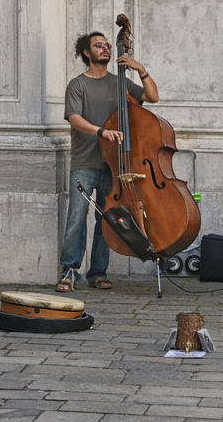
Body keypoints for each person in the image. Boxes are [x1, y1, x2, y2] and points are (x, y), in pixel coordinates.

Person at [57, 30, 158, 293]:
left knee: (108, 221)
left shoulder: (120, 83)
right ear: (86, 53)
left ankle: (98, 273)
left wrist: (141, 69)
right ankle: (69, 271)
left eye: (107, 45)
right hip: (85, 162)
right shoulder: (77, 85)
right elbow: (74, 118)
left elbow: (152, 97)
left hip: (114, 166)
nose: (105, 49)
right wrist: (102, 132)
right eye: (98, 45)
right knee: (76, 220)